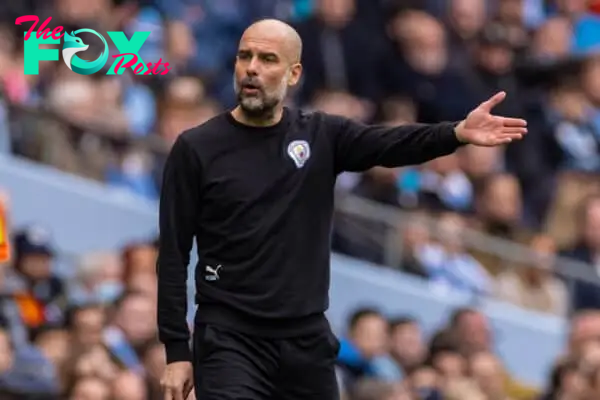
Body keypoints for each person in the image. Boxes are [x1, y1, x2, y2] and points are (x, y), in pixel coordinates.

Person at [156, 18, 527, 400]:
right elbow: (173, 254)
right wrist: (176, 351)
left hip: (305, 342)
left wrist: (455, 133)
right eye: (244, 56)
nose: (252, 68)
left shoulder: (319, 135)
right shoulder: (197, 148)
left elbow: (390, 142)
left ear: (293, 73)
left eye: (268, 59)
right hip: (229, 338)